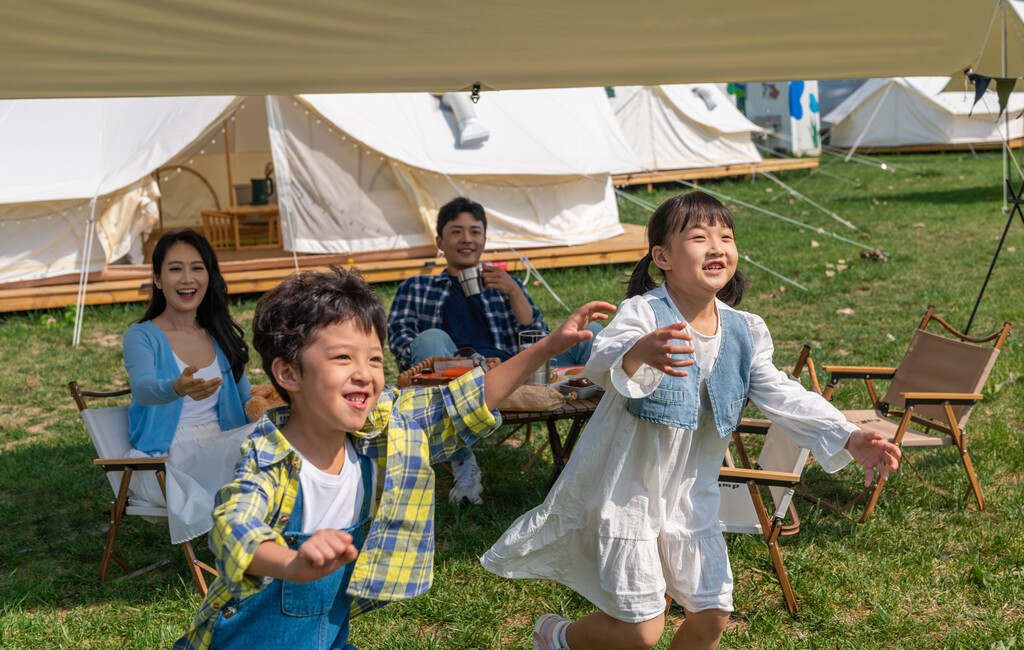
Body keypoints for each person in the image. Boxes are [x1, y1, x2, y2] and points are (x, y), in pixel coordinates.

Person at [480, 191, 902, 650]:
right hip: (631, 493)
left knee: (714, 614)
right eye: (699, 237)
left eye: (726, 236)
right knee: (642, 630)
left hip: (691, 496)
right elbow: (601, 360)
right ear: (662, 257)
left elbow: (783, 393)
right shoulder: (644, 313)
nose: (717, 246)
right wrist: (639, 352)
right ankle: (557, 637)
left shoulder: (743, 330)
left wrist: (848, 434)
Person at [173, 266, 614, 650]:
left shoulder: (384, 434)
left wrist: (547, 347)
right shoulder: (268, 456)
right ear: (288, 373)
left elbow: (459, 403)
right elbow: (234, 527)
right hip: (243, 641)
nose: (364, 373)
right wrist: (292, 563)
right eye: (342, 358)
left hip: (329, 638)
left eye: (374, 359)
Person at [387, 196, 602, 505]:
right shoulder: (417, 287)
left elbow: (538, 339)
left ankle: (606, 446)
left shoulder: (504, 284)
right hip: (454, 378)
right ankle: (462, 458)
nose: (467, 239)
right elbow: (403, 344)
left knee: (592, 333)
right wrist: (453, 363)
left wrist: (515, 292)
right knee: (431, 336)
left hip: (516, 372)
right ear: (440, 241)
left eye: (475, 232)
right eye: (456, 231)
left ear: (484, 240)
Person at [122, 229, 253, 544]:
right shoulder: (141, 336)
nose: (187, 278)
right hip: (166, 462)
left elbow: (249, 401)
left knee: (279, 437)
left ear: (209, 276)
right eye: (175, 268)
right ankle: (241, 544)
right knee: (253, 448)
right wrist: (176, 388)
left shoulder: (218, 334)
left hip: (222, 443)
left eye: (197, 268)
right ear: (157, 280)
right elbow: (142, 388)